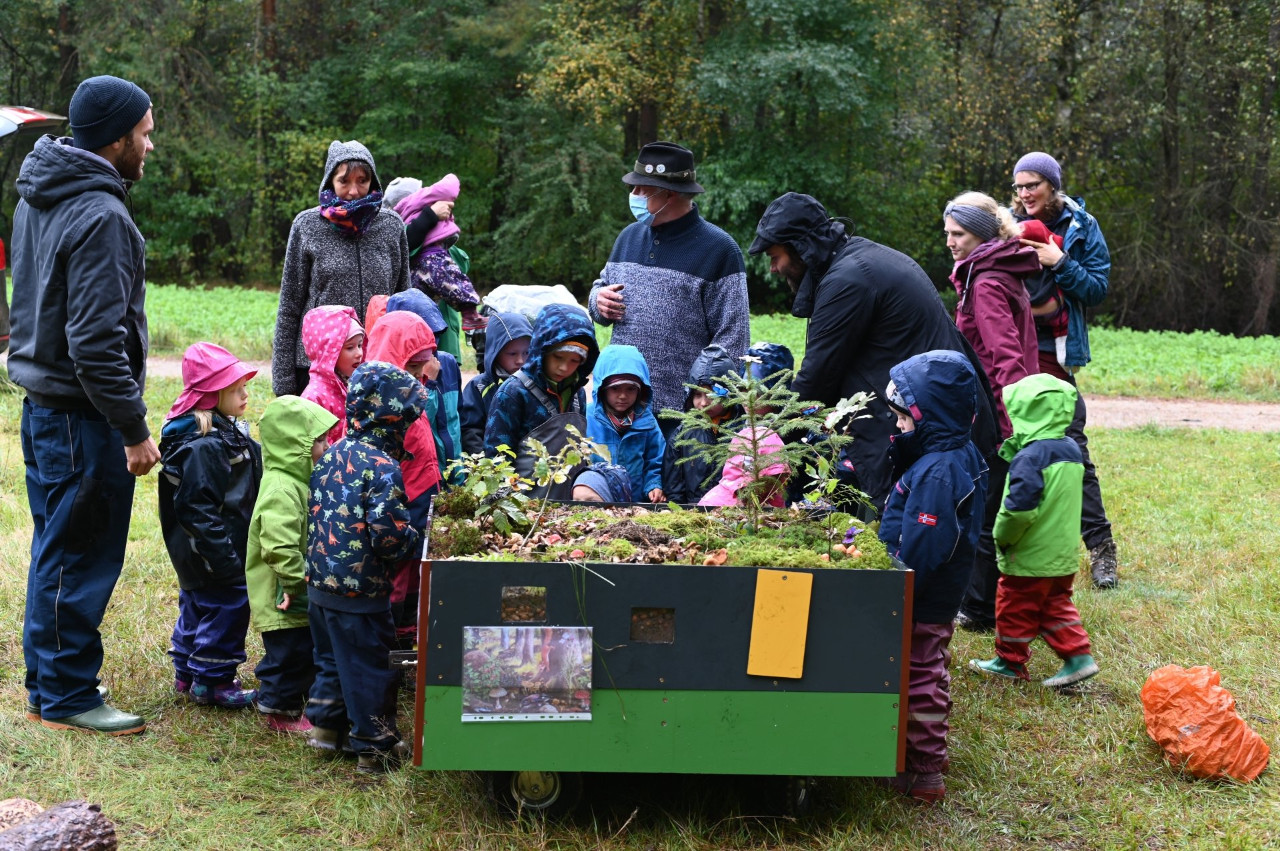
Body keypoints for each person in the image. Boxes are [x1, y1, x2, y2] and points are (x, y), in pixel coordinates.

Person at [9, 74, 160, 734]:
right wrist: (131, 428)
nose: (151, 146)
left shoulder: (41, 194)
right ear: (116, 138)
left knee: (56, 547)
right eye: (146, 134)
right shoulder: (100, 214)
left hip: (44, 406)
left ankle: (48, 685)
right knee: (80, 554)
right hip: (80, 414)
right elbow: (95, 341)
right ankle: (69, 692)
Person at [749, 191, 999, 514]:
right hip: (940, 425)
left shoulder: (848, 280)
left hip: (926, 434)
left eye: (774, 256)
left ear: (800, 247)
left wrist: (769, 444)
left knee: (919, 543)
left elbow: (816, 383)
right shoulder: (860, 260)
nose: (772, 268)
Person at [304, 362, 428, 774]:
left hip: (320, 586)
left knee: (332, 661)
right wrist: (419, 540)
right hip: (361, 591)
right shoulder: (383, 466)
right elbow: (388, 537)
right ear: (392, 419)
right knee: (370, 668)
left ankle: (326, 732)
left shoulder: (332, 453)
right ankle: (374, 749)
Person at [877, 350, 989, 803]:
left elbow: (926, 545)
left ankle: (923, 773)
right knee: (928, 667)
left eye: (904, 421)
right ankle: (924, 754)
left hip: (921, 593)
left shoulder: (939, 471)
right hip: (930, 592)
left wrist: (899, 586)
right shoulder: (951, 453)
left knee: (920, 674)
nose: (899, 429)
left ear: (929, 416)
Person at [1010, 151, 1119, 590]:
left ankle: (1102, 550)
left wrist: (1059, 263)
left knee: (1072, 450)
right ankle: (1012, 544)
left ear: (1052, 185)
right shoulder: (1005, 224)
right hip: (1009, 351)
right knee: (1008, 447)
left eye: (1032, 184)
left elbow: (1096, 289)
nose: (1024, 194)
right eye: (1018, 186)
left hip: (1054, 353)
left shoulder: (1080, 227)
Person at [588, 141, 750, 427]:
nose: (634, 195)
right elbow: (601, 288)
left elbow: (733, 340)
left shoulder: (720, 250)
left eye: (642, 189)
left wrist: (702, 404)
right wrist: (598, 300)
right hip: (619, 410)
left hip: (682, 418)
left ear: (670, 193)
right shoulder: (627, 237)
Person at [942, 191, 1041, 633]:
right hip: (999, 413)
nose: (949, 241)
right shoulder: (996, 271)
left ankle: (980, 608)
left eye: (957, 233)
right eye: (947, 233)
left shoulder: (985, 283)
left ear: (980, 235)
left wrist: (1010, 426)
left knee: (985, 513)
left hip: (997, 417)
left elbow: (1006, 360)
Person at [968, 373, 1099, 688]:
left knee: (1014, 605)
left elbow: (1020, 510)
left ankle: (1009, 662)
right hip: (1062, 553)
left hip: (1030, 554)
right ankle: (1079, 658)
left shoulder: (1029, 458)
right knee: (1053, 603)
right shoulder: (1071, 449)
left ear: (1026, 414)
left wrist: (1002, 536)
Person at [158, 343, 262, 708]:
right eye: (236, 389)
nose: (245, 394)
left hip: (196, 552)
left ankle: (187, 671)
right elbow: (196, 509)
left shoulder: (219, 434)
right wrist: (225, 557)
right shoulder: (205, 446)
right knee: (228, 605)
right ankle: (214, 681)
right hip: (215, 549)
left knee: (197, 602)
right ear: (211, 395)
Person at [272, 140, 409, 396]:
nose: (354, 191)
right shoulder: (307, 226)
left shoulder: (391, 227)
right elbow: (289, 306)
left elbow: (404, 302)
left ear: (373, 182)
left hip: (378, 366)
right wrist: (284, 384)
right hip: (316, 372)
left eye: (362, 181)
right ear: (329, 181)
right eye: (344, 181)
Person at [245, 394, 337, 734]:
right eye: (318, 441)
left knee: (299, 647)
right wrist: (296, 581)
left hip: (294, 584)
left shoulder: (297, 479)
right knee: (287, 652)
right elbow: (279, 545)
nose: (325, 447)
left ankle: (288, 699)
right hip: (282, 590)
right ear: (293, 445)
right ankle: (278, 709)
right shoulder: (282, 489)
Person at [363, 309, 442, 646]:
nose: (416, 375)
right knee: (396, 578)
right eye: (409, 367)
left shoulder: (413, 394)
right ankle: (388, 647)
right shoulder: (379, 408)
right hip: (398, 502)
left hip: (423, 493)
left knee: (415, 575)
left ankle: (409, 637)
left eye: (419, 367)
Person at [484, 303, 599, 498]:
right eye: (558, 357)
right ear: (541, 350)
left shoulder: (577, 393)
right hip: (525, 504)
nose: (564, 368)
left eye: (574, 361)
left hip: (568, 505)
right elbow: (497, 454)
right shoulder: (514, 392)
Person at [393, 173, 487, 333]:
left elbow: (462, 261)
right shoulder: (421, 201)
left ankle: (467, 315)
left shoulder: (403, 218)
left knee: (423, 310)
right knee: (447, 276)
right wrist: (431, 213)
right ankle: (470, 314)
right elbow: (449, 187)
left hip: (441, 324)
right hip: (440, 321)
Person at [385, 289, 461, 481]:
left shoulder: (448, 363)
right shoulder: (395, 376)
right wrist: (429, 383)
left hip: (457, 471)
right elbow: (417, 425)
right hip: (426, 478)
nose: (432, 344)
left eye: (436, 334)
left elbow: (462, 416)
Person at [661, 345, 741, 504]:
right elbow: (673, 482)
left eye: (711, 394)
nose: (703, 403)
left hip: (733, 511)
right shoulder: (684, 433)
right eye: (697, 395)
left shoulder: (742, 430)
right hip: (693, 510)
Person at [587, 344, 666, 503]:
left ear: (641, 390)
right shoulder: (587, 418)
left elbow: (656, 459)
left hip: (636, 503)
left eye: (631, 389)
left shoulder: (646, 421)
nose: (623, 396)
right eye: (615, 388)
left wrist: (653, 485)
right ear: (602, 389)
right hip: (596, 502)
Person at [460, 312, 533, 456]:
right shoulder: (479, 387)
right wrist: (483, 466)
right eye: (512, 354)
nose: (520, 360)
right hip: (493, 465)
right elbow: (470, 431)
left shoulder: (538, 384)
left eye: (526, 353)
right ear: (495, 352)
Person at [299, 305, 364, 446]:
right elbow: (312, 447)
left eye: (360, 345)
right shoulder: (314, 397)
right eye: (350, 347)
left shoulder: (354, 385)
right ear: (329, 352)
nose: (359, 353)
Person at [698, 427, 791, 509]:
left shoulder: (773, 498)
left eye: (776, 476)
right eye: (767, 478)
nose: (770, 483)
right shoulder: (715, 502)